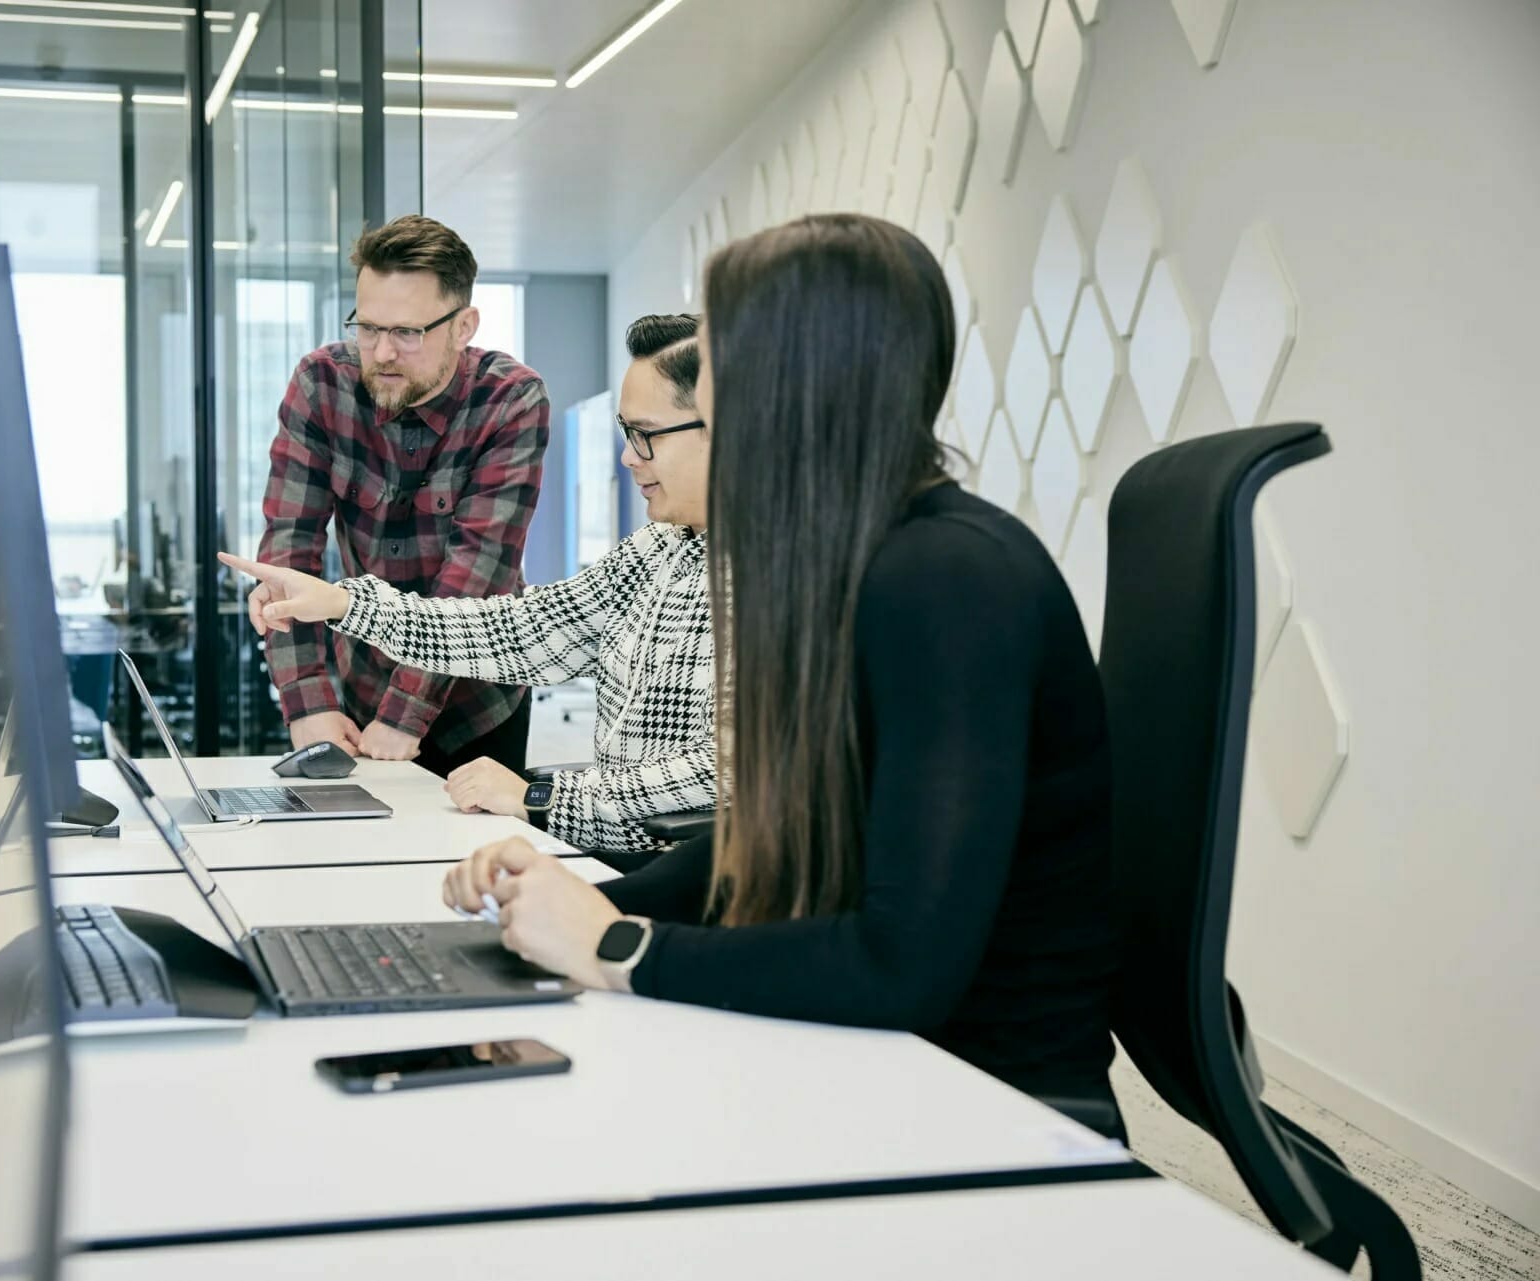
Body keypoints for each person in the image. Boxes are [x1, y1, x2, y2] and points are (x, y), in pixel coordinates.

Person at [435, 213, 1123, 1124]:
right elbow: (780, 830)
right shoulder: (857, 564)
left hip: (982, 1098)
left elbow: (900, 967)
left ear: (791, 390)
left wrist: (618, 944)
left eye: (715, 367)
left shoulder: (949, 582)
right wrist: (577, 904)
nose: (700, 397)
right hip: (875, 1050)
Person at [222, 315, 714, 853]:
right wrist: (341, 603)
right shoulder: (661, 549)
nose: (627, 457)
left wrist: (543, 798)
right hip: (616, 856)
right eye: (626, 434)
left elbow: (724, 772)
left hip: (694, 883)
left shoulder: (791, 581)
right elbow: (519, 631)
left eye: (644, 435)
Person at [252, 214, 550, 776]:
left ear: (463, 327)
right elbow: (288, 555)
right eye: (367, 328)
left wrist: (405, 715)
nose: (382, 353)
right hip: (360, 684)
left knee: (471, 861)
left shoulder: (510, 400)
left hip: (477, 698)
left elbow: (474, 575)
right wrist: (308, 702)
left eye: (407, 333)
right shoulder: (322, 385)